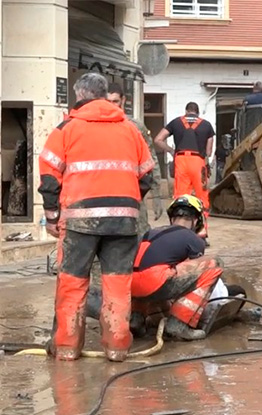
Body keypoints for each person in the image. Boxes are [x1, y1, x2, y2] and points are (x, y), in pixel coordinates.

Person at [39, 72, 155, 362]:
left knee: (73, 282)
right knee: (117, 284)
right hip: (123, 219)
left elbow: (49, 177)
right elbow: (147, 175)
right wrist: (128, 202)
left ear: (80, 95)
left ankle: (66, 348)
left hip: (80, 220)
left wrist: (52, 216)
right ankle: (117, 349)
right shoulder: (130, 130)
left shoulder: (66, 129)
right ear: (105, 96)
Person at [85, 195, 260, 341]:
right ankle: (179, 323)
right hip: (154, 281)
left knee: (147, 270)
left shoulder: (151, 233)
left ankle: (136, 319)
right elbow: (193, 281)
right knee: (213, 265)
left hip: (131, 284)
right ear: (197, 220)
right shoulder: (193, 239)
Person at [106, 83, 164, 235]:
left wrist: (156, 195)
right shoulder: (94, 127)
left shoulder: (135, 127)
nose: (112, 106)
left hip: (134, 193)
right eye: (108, 102)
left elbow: (151, 162)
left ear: (123, 101)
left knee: (139, 236)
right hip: (104, 194)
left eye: (115, 102)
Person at [154, 102, 215, 244]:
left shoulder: (176, 122)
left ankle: (179, 234)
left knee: (181, 198)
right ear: (197, 112)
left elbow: (158, 139)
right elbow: (208, 151)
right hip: (198, 163)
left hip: (181, 161)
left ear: (186, 111)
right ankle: (201, 234)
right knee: (202, 200)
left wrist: (170, 150)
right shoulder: (206, 125)